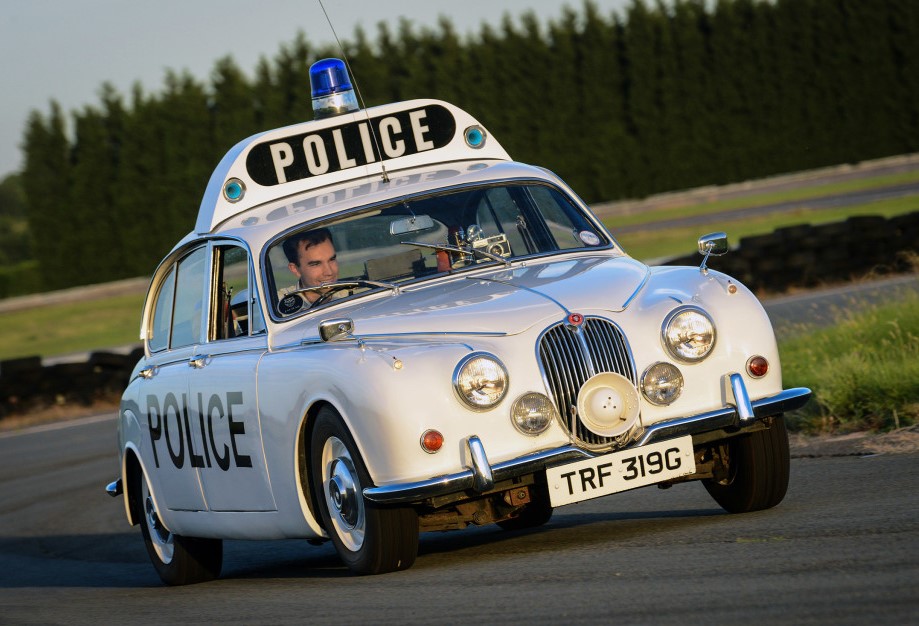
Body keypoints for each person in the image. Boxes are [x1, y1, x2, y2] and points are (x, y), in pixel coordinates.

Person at [281, 227, 339, 304]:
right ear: (295, 269)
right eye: (316, 264)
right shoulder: (279, 304)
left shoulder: (356, 293)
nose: (329, 272)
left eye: (332, 259)